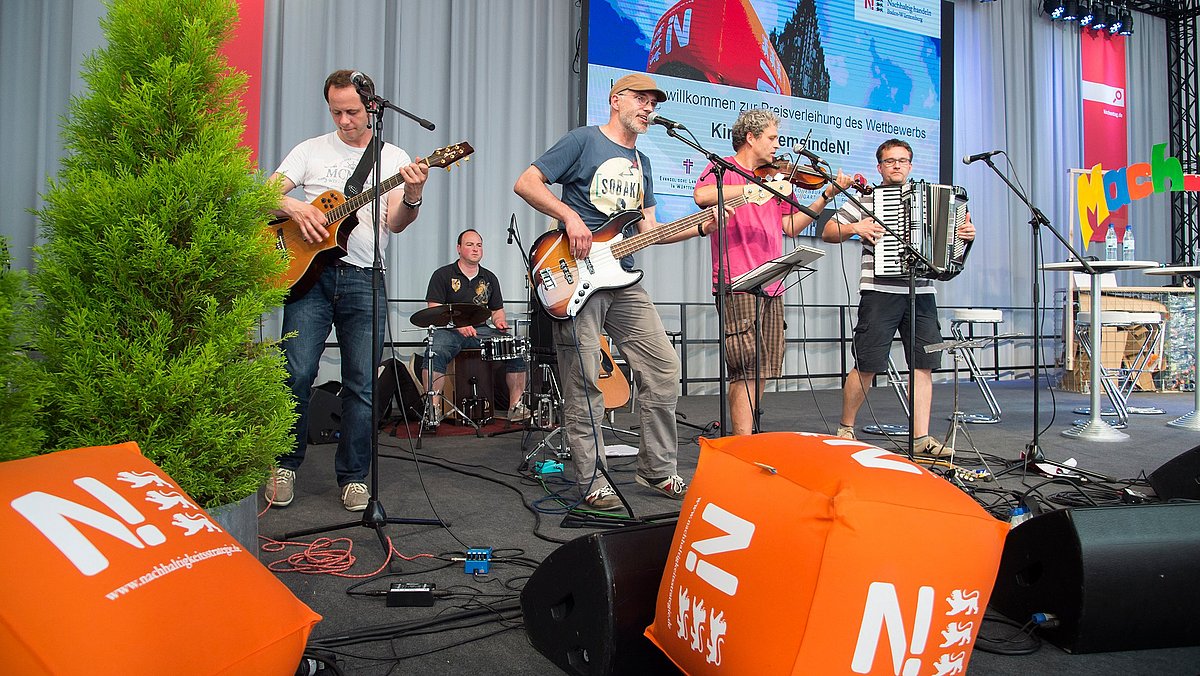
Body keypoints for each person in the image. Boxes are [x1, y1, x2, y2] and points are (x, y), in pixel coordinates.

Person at [513, 73, 716, 511]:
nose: (648, 107)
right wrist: (569, 215)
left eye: (653, 102)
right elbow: (527, 182)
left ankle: (657, 469)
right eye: (640, 99)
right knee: (585, 381)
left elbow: (650, 231)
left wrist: (701, 226)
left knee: (663, 369)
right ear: (615, 100)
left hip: (622, 276)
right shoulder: (582, 141)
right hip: (576, 274)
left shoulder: (642, 163)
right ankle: (592, 479)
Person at [265, 70, 430, 511]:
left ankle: (354, 476)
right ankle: (283, 464)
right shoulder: (310, 150)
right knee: (297, 373)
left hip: (364, 277)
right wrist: (298, 207)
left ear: (370, 107)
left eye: (353, 111)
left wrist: (411, 195)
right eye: (336, 111)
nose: (344, 120)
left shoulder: (393, 156)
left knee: (362, 384)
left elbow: (396, 222)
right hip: (308, 278)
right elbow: (265, 194)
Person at [693, 109, 851, 436]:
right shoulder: (724, 168)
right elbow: (702, 195)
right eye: (772, 138)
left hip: (772, 283)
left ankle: (747, 432)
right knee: (744, 367)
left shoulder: (778, 180)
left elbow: (790, 226)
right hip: (738, 282)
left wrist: (824, 197)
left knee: (763, 368)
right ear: (751, 138)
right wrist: (751, 189)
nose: (778, 145)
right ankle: (742, 443)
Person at [821, 138, 974, 456]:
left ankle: (920, 438)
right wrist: (856, 228)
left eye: (902, 161)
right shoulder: (866, 198)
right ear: (880, 166)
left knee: (924, 364)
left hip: (922, 292)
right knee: (868, 363)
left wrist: (964, 237)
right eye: (890, 161)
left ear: (911, 165)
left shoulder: (935, 199)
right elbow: (829, 231)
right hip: (879, 291)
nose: (897, 166)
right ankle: (846, 429)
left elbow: (952, 248)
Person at [424, 229, 529, 425]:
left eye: (479, 245)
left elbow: (497, 310)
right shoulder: (443, 275)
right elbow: (434, 310)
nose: (475, 249)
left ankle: (515, 406)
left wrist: (499, 321)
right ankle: (433, 409)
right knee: (434, 350)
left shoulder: (489, 278)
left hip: (481, 330)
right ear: (459, 248)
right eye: (470, 245)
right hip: (449, 330)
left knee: (515, 348)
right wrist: (458, 325)